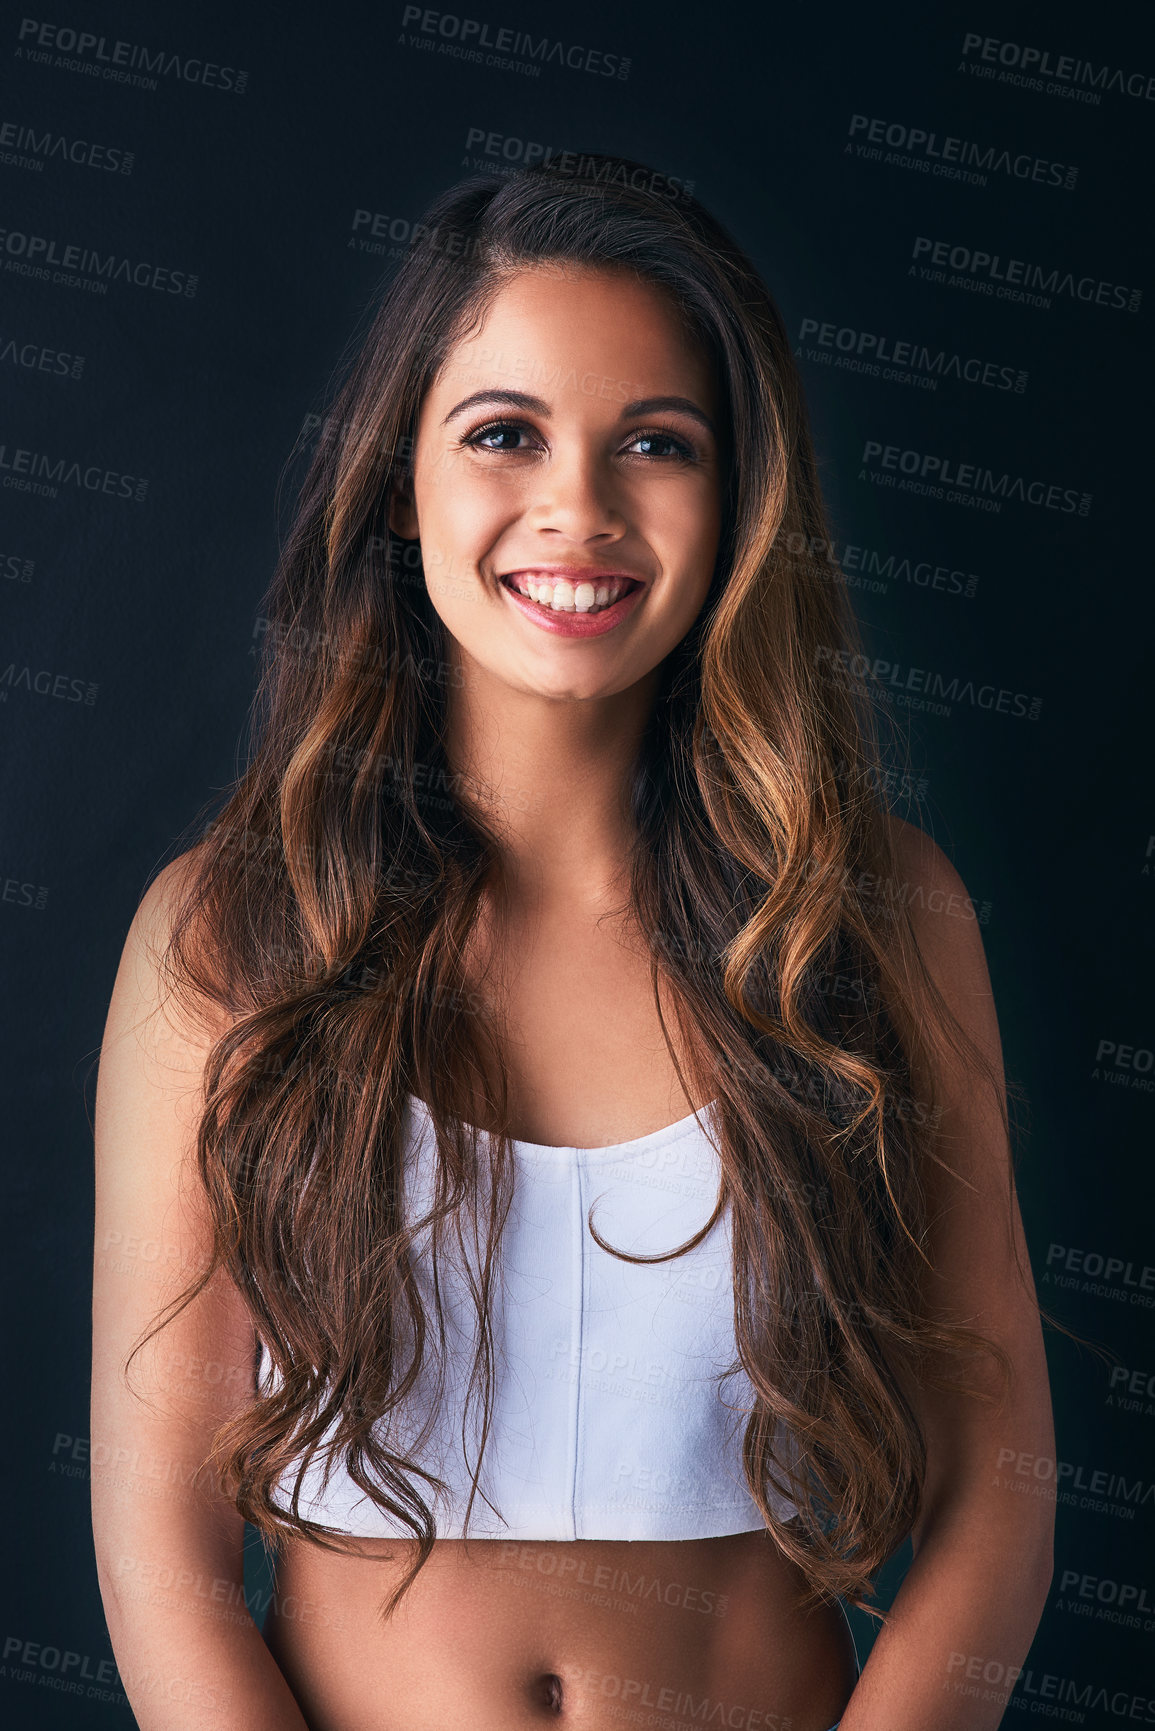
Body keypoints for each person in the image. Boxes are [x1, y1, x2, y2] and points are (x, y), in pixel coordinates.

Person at [91, 157, 1054, 1731]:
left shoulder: (872, 922)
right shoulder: (233, 934)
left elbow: (997, 1494)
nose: (580, 511)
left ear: (739, 497)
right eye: (505, 435)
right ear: (402, 481)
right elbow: (160, 1552)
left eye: (656, 445)